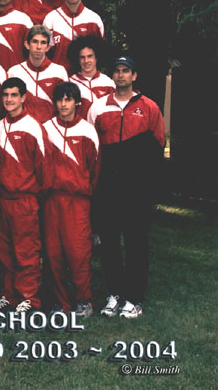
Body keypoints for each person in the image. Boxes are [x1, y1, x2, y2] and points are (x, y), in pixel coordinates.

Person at [88, 56, 165, 319]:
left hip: (136, 187)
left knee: (135, 242)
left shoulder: (149, 107)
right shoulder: (99, 107)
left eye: (126, 71)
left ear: (134, 76)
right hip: (108, 186)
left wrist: (149, 186)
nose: (121, 75)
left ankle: (134, 298)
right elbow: (91, 146)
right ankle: (114, 294)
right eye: (117, 71)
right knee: (109, 242)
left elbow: (157, 145)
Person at [0, 77, 49, 313]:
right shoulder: (0, 126)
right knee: (5, 252)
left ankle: (30, 297)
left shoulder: (32, 126)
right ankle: (10, 294)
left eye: (14, 95)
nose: (9, 100)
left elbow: (43, 167)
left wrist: (33, 195)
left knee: (26, 250)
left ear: (24, 97)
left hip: (24, 199)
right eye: (5, 95)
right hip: (1, 200)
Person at [42, 82, 100, 316]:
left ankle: (84, 301)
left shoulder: (87, 131)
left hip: (77, 202)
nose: (63, 104)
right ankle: (61, 302)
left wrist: (82, 189)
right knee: (53, 254)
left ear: (77, 102)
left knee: (78, 253)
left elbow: (94, 169)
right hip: (52, 200)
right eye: (59, 99)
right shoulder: (46, 128)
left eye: (68, 99)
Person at [7, 25, 68, 124]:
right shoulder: (14, 72)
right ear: (27, 45)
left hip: (51, 130)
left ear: (48, 47)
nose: (39, 47)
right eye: (35, 42)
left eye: (43, 42)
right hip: (23, 128)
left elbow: (65, 105)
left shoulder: (59, 72)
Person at [43, 0, 104, 69]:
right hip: (59, 78)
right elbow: (46, 53)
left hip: (84, 78)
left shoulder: (94, 19)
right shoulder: (51, 19)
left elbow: (100, 54)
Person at [68, 35, 115, 119]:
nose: (86, 61)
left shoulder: (108, 83)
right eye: (82, 57)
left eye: (90, 56)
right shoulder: (70, 83)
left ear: (97, 57)